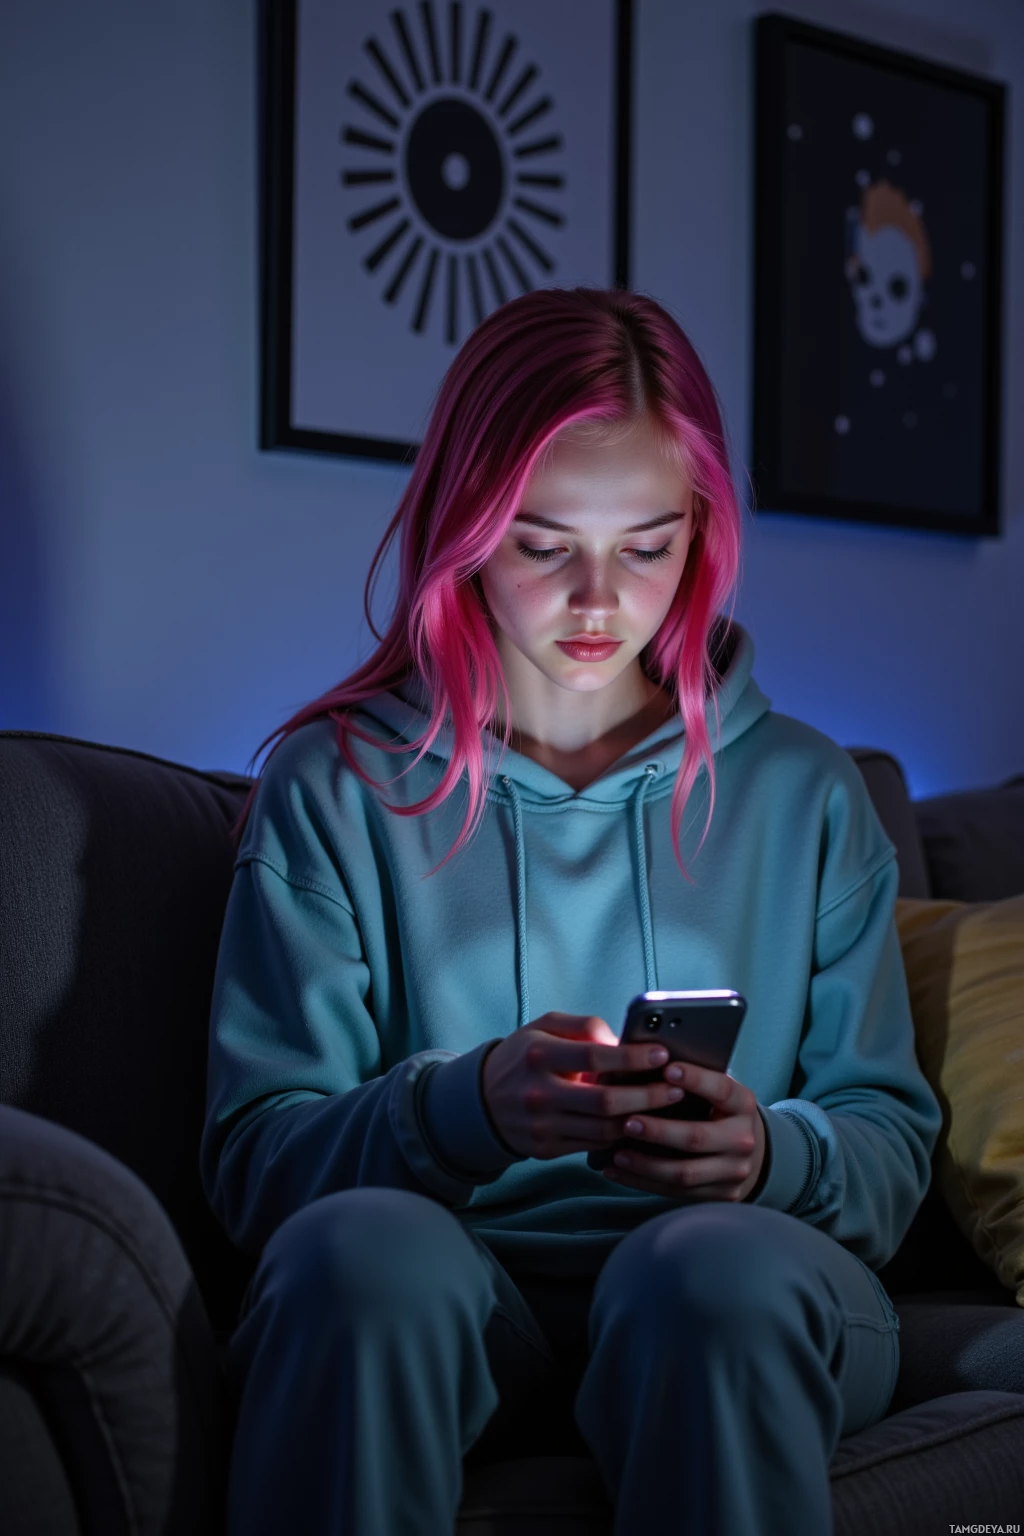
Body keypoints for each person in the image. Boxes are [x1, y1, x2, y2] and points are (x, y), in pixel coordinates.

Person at [199, 285, 942, 1536]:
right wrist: (463, 1106)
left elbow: (884, 1137)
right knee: (365, 1261)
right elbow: (259, 1162)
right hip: (459, 1304)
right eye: (545, 546)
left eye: (645, 548)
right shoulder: (334, 789)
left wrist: (768, 1153)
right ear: (468, 530)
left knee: (700, 1276)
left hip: (739, 1284)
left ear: (700, 537)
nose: (599, 602)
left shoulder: (804, 793)